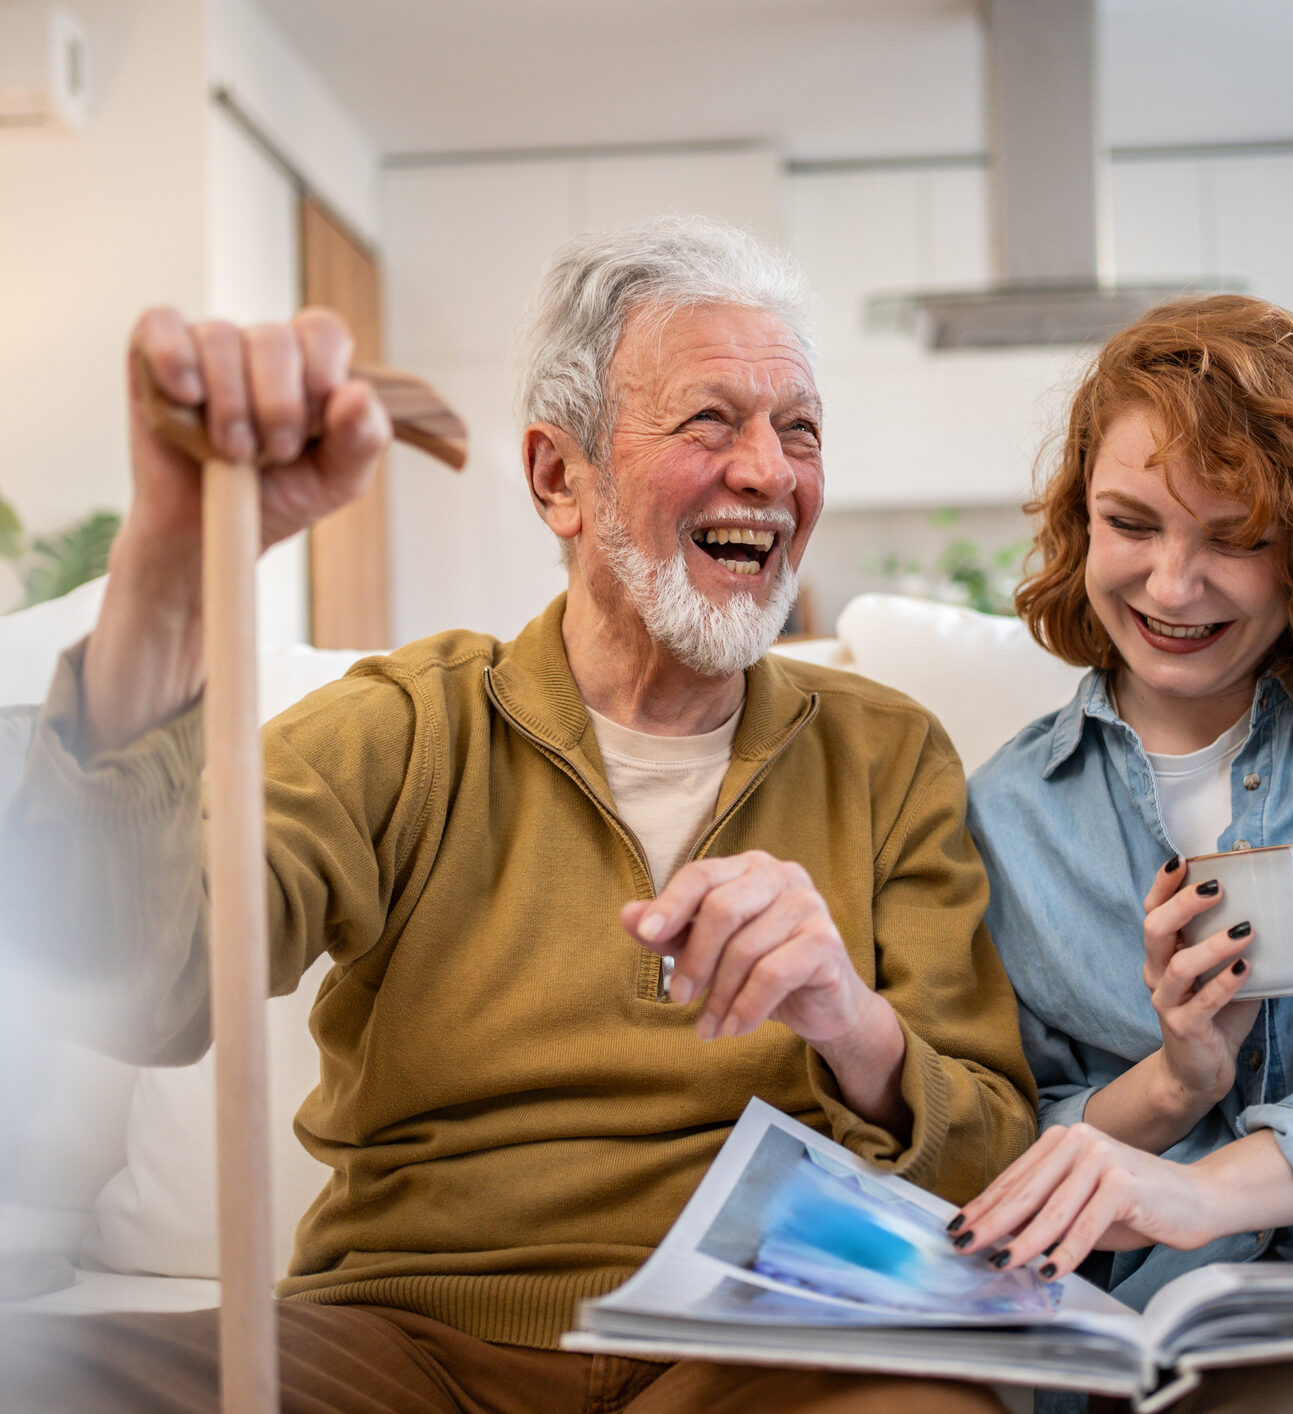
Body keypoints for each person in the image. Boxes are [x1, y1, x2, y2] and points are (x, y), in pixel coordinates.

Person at [0, 217, 1034, 1413]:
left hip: (762, 1356)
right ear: (560, 478)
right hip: (409, 1342)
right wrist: (169, 565)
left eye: (797, 429)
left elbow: (997, 1151)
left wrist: (851, 1024)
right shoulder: (402, 726)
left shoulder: (884, 752)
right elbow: (131, 981)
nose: (770, 470)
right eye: (710, 420)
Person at [955, 294, 1293, 1409]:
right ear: (1077, 522)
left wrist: (1216, 1187)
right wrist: (1175, 1080)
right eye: (1131, 523)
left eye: (1235, 536)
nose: (1170, 586)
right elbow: (1014, 1122)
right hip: (1143, 1330)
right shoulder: (1007, 811)